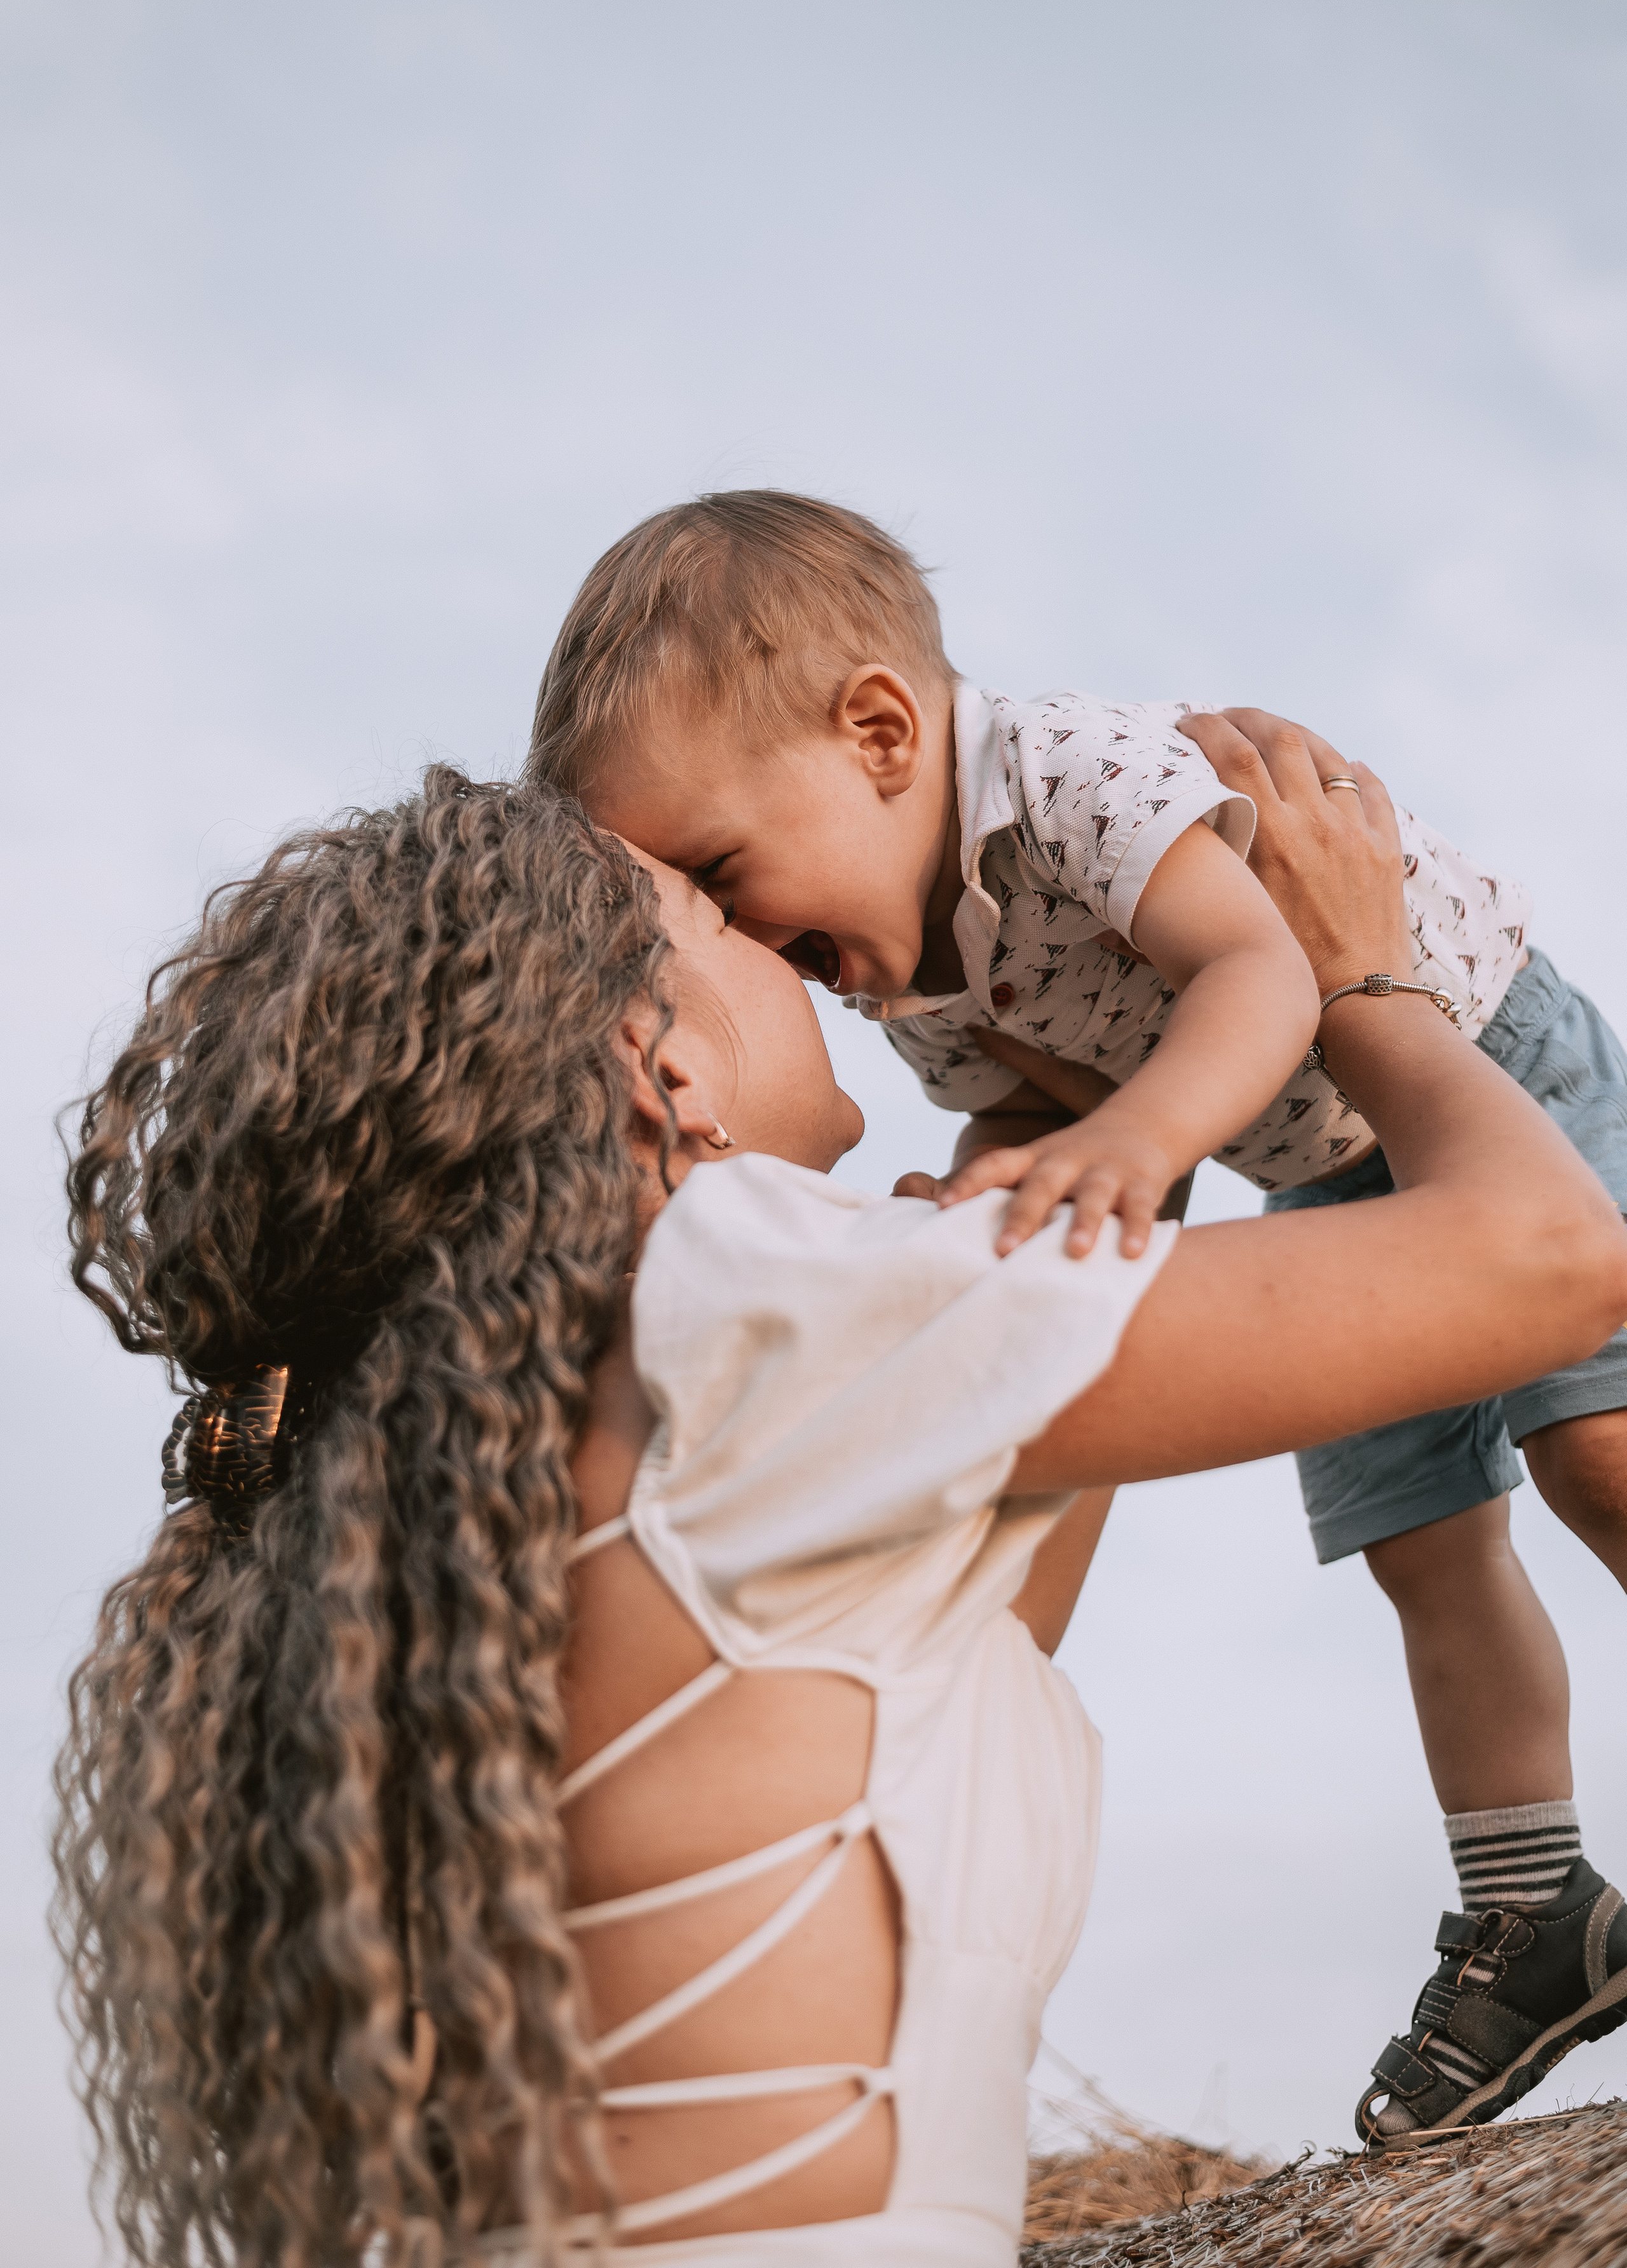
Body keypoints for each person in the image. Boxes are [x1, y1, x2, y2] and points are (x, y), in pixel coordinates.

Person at [55, 738, 1627, 2268]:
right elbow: (1550, 1262)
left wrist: (1099, 1113)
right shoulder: (735, 1303)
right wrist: (1358, 978)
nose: (787, 947)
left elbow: (974, 1642)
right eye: (716, 916)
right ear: (658, 1060)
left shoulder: (507, 1481)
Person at [528, 490, 1627, 2140]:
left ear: (881, 733)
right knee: (1423, 1547)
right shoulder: (907, 982)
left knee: (1595, 1455)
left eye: (717, 874)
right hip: (1319, 1162)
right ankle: (1531, 1906)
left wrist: (1137, 1140)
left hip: (1480, 1054)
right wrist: (993, 1196)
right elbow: (1038, 1110)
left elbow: (1260, 973)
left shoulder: (1065, 781)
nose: (739, 937)